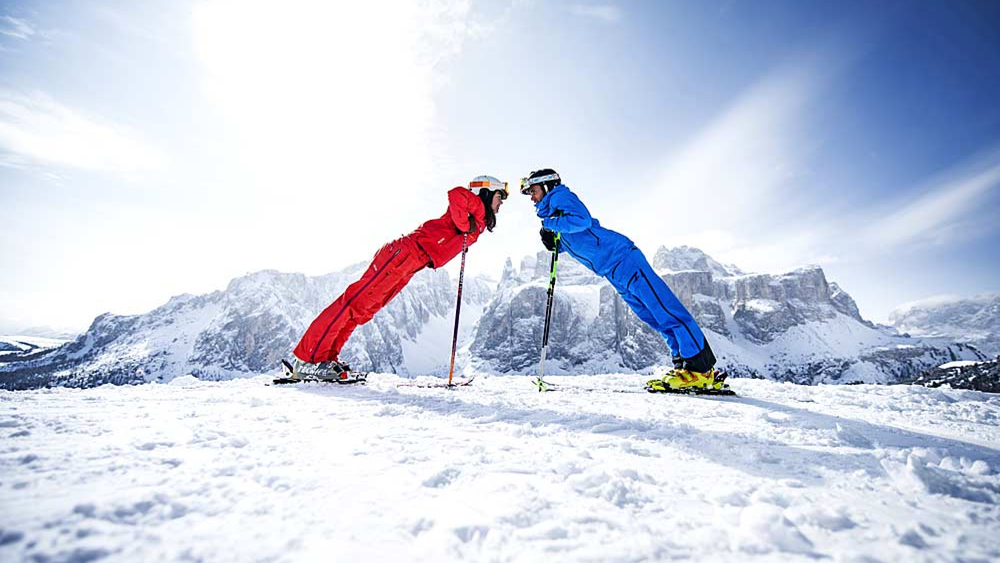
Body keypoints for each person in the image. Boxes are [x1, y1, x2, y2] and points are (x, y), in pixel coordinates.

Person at [288, 176, 508, 381]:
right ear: (486, 193)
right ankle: (307, 360)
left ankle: (325, 359)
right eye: (499, 197)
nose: (501, 204)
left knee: (363, 309)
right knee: (353, 302)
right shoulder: (476, 206)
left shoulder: (478, 219)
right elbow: (456, 194)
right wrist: (463, 226)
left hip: (411, 263)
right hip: (404, 254)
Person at [520, 168, 720, 391]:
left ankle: (701, 369)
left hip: (623, 258)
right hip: (612, 271)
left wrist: (551, 225)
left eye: (533, 190)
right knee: (653, 316)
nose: (531, 196)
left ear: (547, 186)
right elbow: (580, 242)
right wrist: (554, 243)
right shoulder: (553, 214)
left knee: (665, 309)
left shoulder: (559, 196)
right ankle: (683, 367)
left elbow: (582, 221)